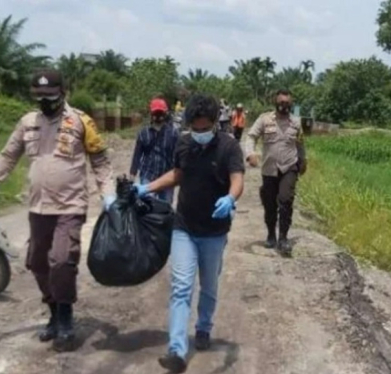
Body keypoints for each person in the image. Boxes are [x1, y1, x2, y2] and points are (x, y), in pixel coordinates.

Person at [0, 69, 116, 352]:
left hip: (70, 205)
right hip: (38, 207)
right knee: (37, 263)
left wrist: (107, 196)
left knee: (61, 261)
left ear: (63, 92)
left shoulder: (81, 122)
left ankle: (65, 317)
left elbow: (100, 162)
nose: (45, 102)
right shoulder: (27, 123)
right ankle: (52, 312)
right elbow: (8, 156)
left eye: (50, 96)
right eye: (39, 97)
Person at [134, 93, 245, 373]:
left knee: (208, 285)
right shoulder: (184, 143)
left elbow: (238, 179)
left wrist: (231, 198)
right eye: (194, 128)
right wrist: (147, 187)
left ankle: (204, 326)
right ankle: (177, 350)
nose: (199, 133)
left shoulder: (229, 147)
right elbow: (177, 175)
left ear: (215, 125)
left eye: (204, 128)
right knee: (181, 286)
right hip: (183, 226)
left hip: (214, 231)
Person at [244, 89, 306, 257]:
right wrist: (250, 153)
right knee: (270, 204)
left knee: (286, 200)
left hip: (289, 167)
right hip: (269, 169)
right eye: (281, 103)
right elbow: (251, 137)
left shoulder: (296, 122)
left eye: (287, 103)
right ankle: (271, 233)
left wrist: (303, 160)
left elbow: (300, 144)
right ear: (275, 102)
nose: (284, 106)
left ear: (291, 104)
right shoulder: (264, 120)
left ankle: (283, 238)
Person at [129, 98, 180, 203]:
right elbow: (137, 155)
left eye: (160, 113)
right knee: (148, 207)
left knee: (165, 207)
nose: (158, 116)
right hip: (148, 175)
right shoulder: (143, 133)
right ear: (151, 114)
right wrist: (132, 174)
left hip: (166, 176)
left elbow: (178, 155)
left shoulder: (173, 133)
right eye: (155, 113)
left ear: (165, 114)